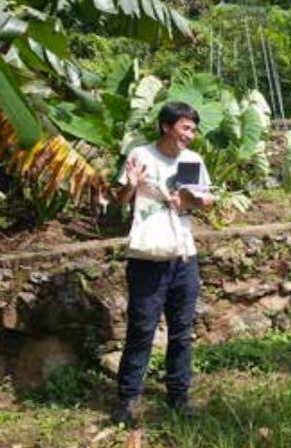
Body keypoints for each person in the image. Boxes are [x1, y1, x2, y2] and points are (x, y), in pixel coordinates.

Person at [111, 102, 212, 425]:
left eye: (193, 130)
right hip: (147, 258)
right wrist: (131, 183)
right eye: (185, 128)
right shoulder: (141, 156)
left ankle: (178, 396)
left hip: (184, 255)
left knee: (182, 331)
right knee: (141, 329)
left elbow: (204, 201)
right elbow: (119, 199)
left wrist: (189, 199)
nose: (190, 136)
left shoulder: (190, 161)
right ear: (166, 126)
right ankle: (127, 399)